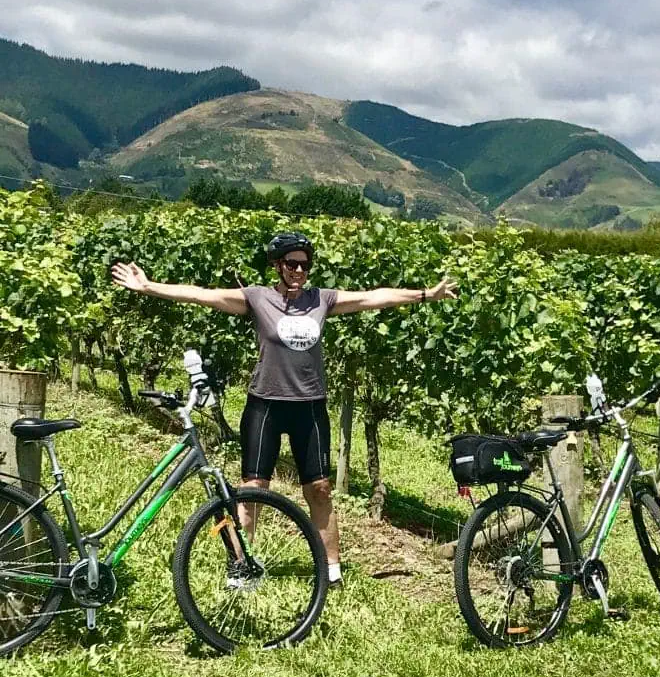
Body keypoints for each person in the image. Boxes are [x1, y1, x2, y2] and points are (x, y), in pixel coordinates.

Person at [112, 231, 457, 586]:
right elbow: (203, 295)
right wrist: (150, 287)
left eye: (305, 265)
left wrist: (426, 294)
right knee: (253, 487)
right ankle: (241, 568)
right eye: (292, 264)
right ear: (278, 265)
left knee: (320, 490)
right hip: (265, 406)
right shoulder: (258, 298)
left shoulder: (322, 299)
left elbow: (374, 298)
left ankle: (331, 570)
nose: (299, 270)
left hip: (309, 408)